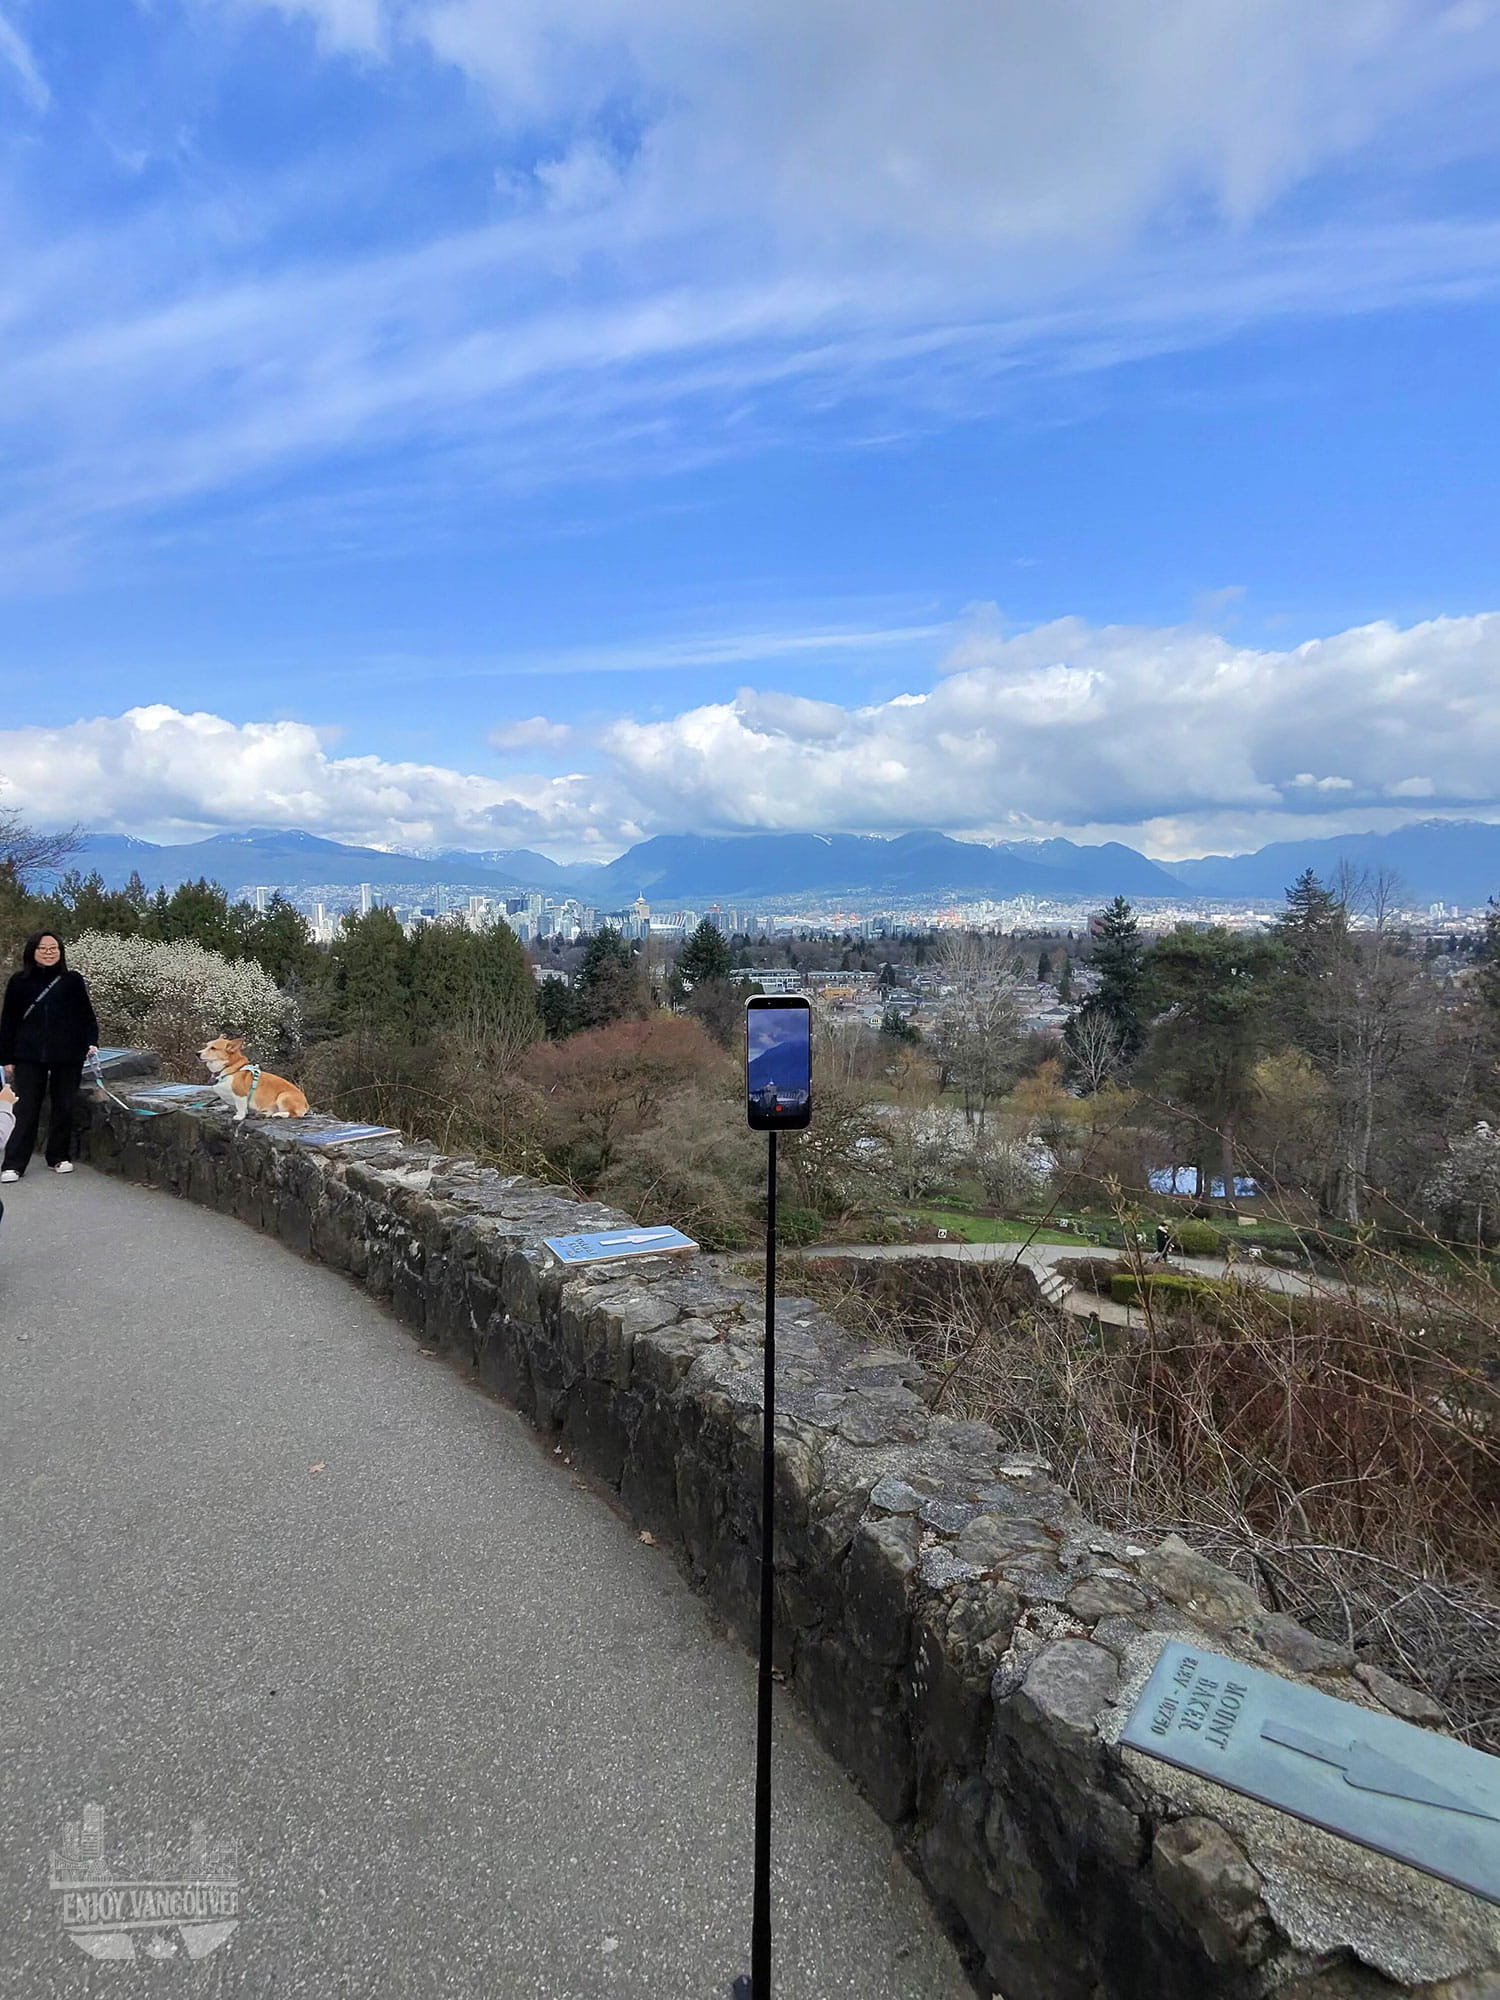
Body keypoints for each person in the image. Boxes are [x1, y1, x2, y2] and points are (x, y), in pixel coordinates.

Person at [0, 932, 99, 1180]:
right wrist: (6, 1058)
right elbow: (8, 1021)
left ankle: (58, 1156)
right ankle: (13, 1163)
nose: (49, 952)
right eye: (43, 948)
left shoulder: (72, 980)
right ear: (32, 951)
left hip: (68, 1054)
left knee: (64, 1106)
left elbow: (86, 1015)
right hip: (28, 1055)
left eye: (54, 948)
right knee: (25, 1109)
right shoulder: (19, 981)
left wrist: (91, 1041)